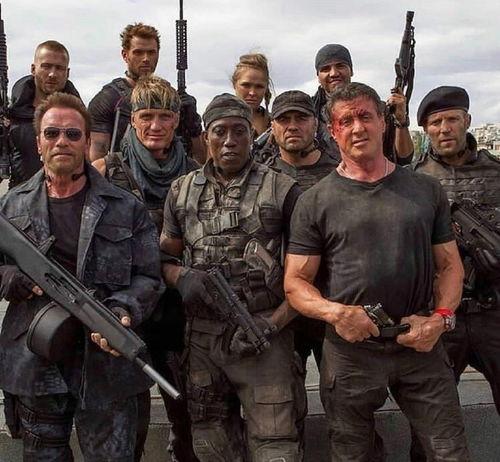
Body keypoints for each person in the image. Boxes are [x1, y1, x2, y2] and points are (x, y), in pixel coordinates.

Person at [284, 82, 470, 461]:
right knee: (352, 454)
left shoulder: (426, 189)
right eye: (346, 121)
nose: (357, 128)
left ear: (383, 122)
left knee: (449, 450)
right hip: (351, 352)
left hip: (420, 344)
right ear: (333, 131)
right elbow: (295, 283)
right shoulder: (314, 201)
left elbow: (450, 266)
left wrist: (441, 319)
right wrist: (337, 314)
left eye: (365, 116)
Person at [0, 92, 163, 460]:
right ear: (38, 142)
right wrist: (8, 277)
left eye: (73, 134)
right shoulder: (11, 206)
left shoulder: (126, 206)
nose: (62, 141)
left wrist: (122, 310)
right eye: (52, 133)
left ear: (87, 142)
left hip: (106, 366)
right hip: (35, 361)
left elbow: (149, 277)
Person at [161, 93, 305, 461]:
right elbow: (164, 257)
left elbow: (307, 276)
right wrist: (182, 277)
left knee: (276, 446)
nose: (230, 141)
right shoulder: (181, 191)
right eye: (220, 131)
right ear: (205, 136)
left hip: (264, 334)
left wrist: (273, 324)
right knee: (211, 444)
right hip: (203, 341)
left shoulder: (282, 189)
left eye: (239, 131)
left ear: (252, 134)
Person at [93, 74, 198, 462]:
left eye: (165, 116)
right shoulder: (104, 172)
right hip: (125, 308)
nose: (156, 125)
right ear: (133, 119)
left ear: (176, 121)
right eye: (147, 116)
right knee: (129, 415)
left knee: (185, 405)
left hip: (176, 307)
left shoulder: (194, 174)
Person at [411, 86, 500, 460]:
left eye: (452, 119)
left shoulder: (496, 173)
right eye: (435, 122)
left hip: (493, 312)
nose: (444, 128)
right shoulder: (413, 181)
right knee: (429, 421)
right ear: (426, 130)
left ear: (467, 121)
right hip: (443, 318)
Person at [88, 23, 205, 164]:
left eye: (151, 52)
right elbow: (96, 157)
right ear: (125, 55)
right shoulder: (109, 99)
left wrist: (193, 126)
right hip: (123, 174)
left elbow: (200, 159)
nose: (145, 59)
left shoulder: (170, 98)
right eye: (138, 52)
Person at [312, 43, 414, 163]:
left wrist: (401, 121)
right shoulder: (308, 113)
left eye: (340, 66)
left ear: (351, 70)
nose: (334, 73)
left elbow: (404, 158)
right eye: (326, 69)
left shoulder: (376, 109)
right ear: (318, 76)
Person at [8, 40, 80, 188]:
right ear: (33, 69)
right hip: (20, 195)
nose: (52, 74)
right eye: (46, 66)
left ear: (67, 73)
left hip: (68, 195)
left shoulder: (80, 119)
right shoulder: (12, 116)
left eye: (59, 68)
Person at [231, 53, 273, 137]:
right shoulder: (220, 121)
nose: (252, 93)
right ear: (234, 84)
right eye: (246, 85)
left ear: (266, 88)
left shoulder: (277, 124)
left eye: (259, 87)